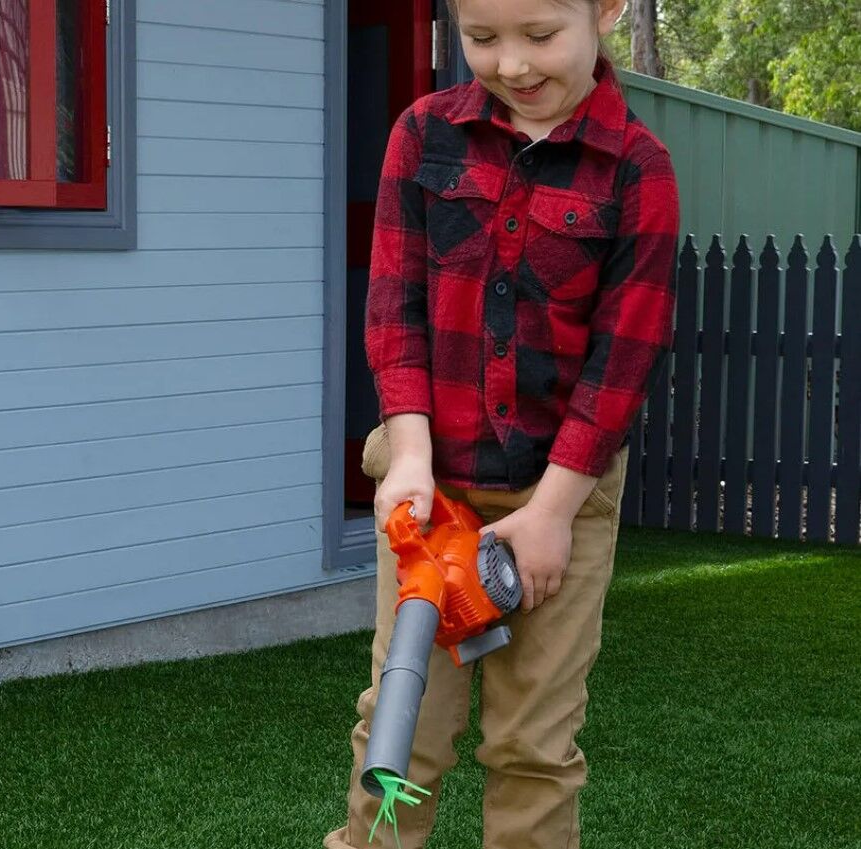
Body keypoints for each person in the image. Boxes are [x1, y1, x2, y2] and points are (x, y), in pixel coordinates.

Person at [324, 0, 680, 847]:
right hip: (430, 487)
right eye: (481, 39)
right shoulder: (422, 136)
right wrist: (406, 454)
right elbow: (393, 308)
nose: (512, 65)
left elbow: (621, 361)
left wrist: (554, 513)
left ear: (606, 11)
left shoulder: (638, 169)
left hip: (560, 494)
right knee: (400, 727)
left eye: (540, 36)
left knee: (533, 741)